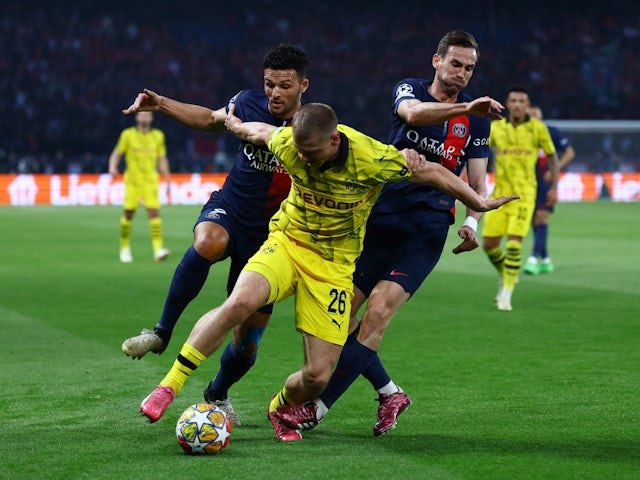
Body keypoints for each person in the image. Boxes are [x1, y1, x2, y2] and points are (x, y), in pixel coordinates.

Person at [139, 102, 518, 442]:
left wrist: (478, 203)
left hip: (335, 267)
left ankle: (280, 407)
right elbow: (259, 132)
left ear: (334, 141)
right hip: (288, 242)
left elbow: (435, 171)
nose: (303, 160)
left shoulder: (373, 158)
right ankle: (169, 386)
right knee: (241, 301)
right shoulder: (290, 144)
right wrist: (235, 125)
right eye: (299, 152)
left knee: (317, 376)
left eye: (312, 152)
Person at [274, 29, 504, 436]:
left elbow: (478, 182)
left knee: (378, 311)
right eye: (455, 64)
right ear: (436, 61)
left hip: (426, 228)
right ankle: (389, 392)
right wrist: (468, 107)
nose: (462, 73)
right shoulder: (410, 89)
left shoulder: (476, 121)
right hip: (379, 217)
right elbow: (413, 115)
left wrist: (470, 223)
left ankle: (317, 409)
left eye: (470, 68)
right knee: (340, 324)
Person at [118, 43, 309, 425]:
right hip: (232, 209)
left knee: (246, 342)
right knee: (209, 240)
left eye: (284, 86)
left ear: (304, 85)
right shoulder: (248, 102)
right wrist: (162, 104)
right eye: (269, 84)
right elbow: (209, 118)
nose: (274, 93)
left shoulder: (314, 127)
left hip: (273, 238)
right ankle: (160, 331)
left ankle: (217, 392)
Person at [482, 86, 559, 311]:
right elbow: (480, 154)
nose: (517, 104)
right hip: (500, 195)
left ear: (527, 105)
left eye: (521, 101)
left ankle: (506, 293)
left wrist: (554, 187)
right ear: (508, 103)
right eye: (513, 100)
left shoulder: (537, 129)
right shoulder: (496, 128)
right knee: (489, 245)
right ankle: (508, 275)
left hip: (525, 195)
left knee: (514, 244)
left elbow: (553, 158)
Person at [108, 111, 171, 263]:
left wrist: (168, 180)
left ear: (151, 118)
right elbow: (117, 153)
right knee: (128, 213)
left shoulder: (158, 136)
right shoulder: (127, 135)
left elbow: (162, 159)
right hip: (133, 181)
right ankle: (124, 248)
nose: (144, 117)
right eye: (142, 115)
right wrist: (112, 166)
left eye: (147, 115)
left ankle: (158, 250)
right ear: (136, 117)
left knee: (154, 213)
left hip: (150, 181)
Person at [523, 105, 575, 275]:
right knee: (532, 220)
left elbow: (569, 152)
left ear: (541, 116)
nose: (533, 117)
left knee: (542, 218)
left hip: (545, 184)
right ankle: (545, 260)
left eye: (535, 114)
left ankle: (533, 257)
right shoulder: (521, 133)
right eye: (530, 115)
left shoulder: (551, 132)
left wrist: (556, 168)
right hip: (527, 183)